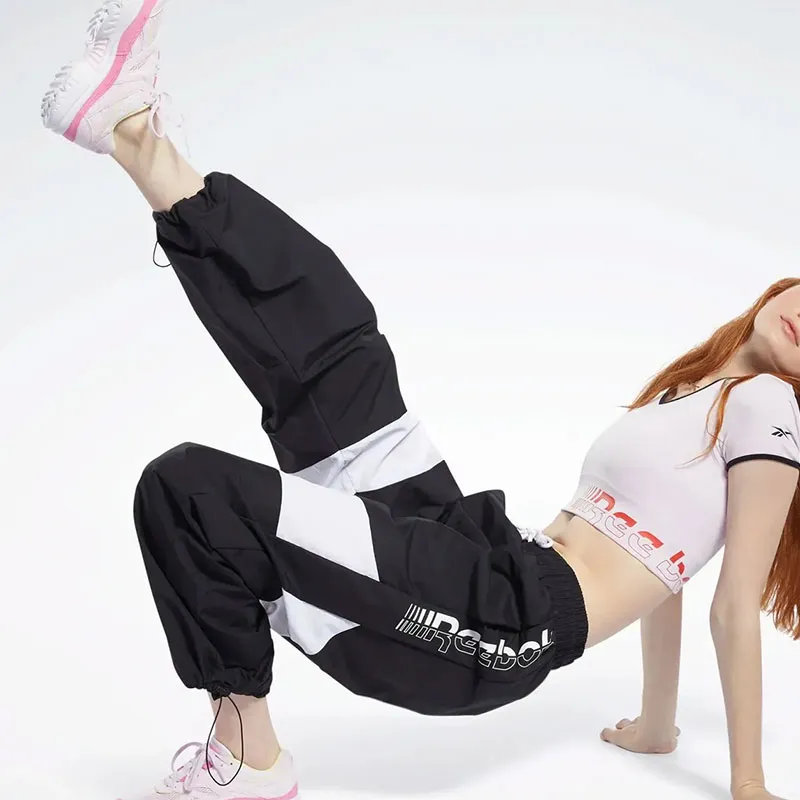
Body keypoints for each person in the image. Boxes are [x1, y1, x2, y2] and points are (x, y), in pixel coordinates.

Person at [40, 2, 800, 799]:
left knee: (192, 489)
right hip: (488, 551)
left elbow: (731, 605)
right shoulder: (694, 393)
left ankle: (248, 763)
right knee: (339, 351)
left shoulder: (770, 409)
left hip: (504, 620)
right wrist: (657, 725)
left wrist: (747, 784)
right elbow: (666, 572)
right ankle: (133, 134)